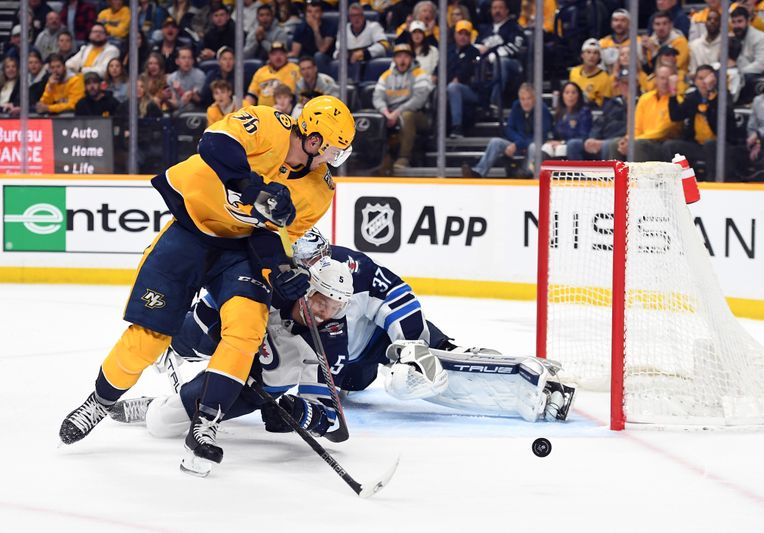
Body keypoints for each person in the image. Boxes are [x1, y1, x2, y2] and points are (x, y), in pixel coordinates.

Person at [59, 95, 356, 479]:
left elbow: (274, 235)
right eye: (333, 149)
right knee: (149, 335)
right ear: (314, 140)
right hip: (193, 229)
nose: (333, 160)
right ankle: (99, 402)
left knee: (246, 331)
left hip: (241, 252)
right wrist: (254, 189)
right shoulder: (268, 124)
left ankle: (206, 424)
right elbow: (213, 145)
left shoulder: (320, 191)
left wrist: (282, 269)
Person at [113, 231, 573, 435]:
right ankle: (162, 401)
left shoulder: (348, 271)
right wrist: (178, 338)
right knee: (211, 386)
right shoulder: (266, 277)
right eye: (301, 268)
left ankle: (455, 352)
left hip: (354, 361)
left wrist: (413, 347)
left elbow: (399, 300)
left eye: (314, 266)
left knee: (411, 341)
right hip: (281, 362)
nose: (312, 279)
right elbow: (208, 319)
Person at [111, 257, 356, 445]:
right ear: (308, 290)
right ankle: (174, 346)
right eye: (321, 302)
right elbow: (227, 290)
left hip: (254, 385)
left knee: (162, 423)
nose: (324, 314)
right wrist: (211, 325)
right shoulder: (279, 286)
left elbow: (332, 423)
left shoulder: (330, 342)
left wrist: (301, 413)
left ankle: (152, 405)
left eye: (334, 308)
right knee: (188, 331)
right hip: (230, 339)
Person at [462, 83, 552, 178]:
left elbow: (541, 136)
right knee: (495, 142)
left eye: (528, 98)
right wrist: (517, 143)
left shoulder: (542, 110)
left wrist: (518, 144)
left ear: (534, 98)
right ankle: (478, 172)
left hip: (532, 146)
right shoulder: (516, 106)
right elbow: (508, 129)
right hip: (518, 143)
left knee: (533, 146)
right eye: (522, 99)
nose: (525, 102)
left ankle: (527, 174)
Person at [664, 65, 737, 180]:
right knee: (670, 146)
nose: (704, 82)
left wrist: (711, 92)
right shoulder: (692, 98)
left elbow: (725, 120)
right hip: (698, 145)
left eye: (707, 78)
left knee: (710, 144)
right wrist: (673, 93)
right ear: (695, 81)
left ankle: (713, 182)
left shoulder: (723, 96)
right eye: (700, 78)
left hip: (721, 146)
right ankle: (677, 182)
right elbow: (675, 116)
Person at [372, 43, 434, 173]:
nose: (402, 60)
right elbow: (377, 97)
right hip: (390, 112)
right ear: (394, 59)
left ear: (411, 59)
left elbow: (419, 99)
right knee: (375, 118)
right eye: (399, 56)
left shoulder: (420, 74)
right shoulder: (386, 75)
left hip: (417, 114)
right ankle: (380, 158)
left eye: (406, 56)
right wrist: (385, 111)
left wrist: (397, 113)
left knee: (406, 116)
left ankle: (404, 158)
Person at [568, 69, 631, 161]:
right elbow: (599, 123)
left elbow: (629, 128)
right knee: (573, 145)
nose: (625, 87)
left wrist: (602, 142)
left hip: (618, 140)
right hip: (602, 139)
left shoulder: (641, 102)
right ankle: (579, 175)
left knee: (608, 146)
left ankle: (607, 175)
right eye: (623, 83)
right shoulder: (612, 103)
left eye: (628, 84)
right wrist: (592, 138)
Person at [475, 0, 524, 109]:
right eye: (494, 8)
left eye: (500, 8)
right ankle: (479, 101)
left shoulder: (514, 27)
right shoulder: (485, 29)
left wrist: (494, 54)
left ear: (506, 10)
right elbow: (475, 45)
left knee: (501, 62)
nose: (497, 11)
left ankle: (495, 101)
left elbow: (516, 47)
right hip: (486, 63)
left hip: (512, 63)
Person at [629, 64, 683, 162]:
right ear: (656, 79)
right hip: (642, 139)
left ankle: (636, 177)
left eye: (668, 79)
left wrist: (635, 140)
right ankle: (617, 176)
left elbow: (663, 130)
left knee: (637, 145)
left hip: (661, 142)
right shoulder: (645, 98)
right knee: (613, 144)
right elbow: (636, 126)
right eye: (662, 78)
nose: (665, 82)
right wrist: (629, 138)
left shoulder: (677, 101)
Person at [332, 2, 389, 79]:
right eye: (353, 16)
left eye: (359, 15)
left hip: (369, 64)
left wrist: (362, 53)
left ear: (363, 16)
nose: (356, 18)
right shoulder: (344, 29)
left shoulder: (374, 26)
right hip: (349, 65)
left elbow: (383, 45)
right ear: (349, 17)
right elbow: (337, 51)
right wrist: (341, 55)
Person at [730, 5, 764, 104]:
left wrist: (738, 73)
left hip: (758, 79)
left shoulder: (761, 38)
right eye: (734, 22)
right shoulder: (731, 39)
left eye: (740, 21)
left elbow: (763, 65)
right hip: (738, 79)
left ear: (748, 21)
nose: (736, 26)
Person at [446, 20, 480, 138]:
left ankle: (457, 127)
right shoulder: (448, 50)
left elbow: (468, 71)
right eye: (460, 33)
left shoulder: (474, 52)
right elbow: (440, 70)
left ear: (470, 36)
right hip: (447, 86)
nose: (463, 37)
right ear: (455, 34)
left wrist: (456, 78)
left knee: (453, 87)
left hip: (471, 91)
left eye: (466, 34)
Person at [544, 82, 592, 159]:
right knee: (547, 147)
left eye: (573, 92)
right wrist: (552, 141)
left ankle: (561, 171)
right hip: (561, 143)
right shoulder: (560, 112)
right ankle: (542, 171)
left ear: (578, 95)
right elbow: (555, 134)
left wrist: (563, 142)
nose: (570, 95)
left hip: (575, 145)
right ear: (562, 95)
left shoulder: (584, 111)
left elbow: (583, 136)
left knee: (560, 148)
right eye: (567, 93)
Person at [246, 41, 301, 107]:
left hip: (287, 112)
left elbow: (299, 95)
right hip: (263, 113)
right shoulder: (261, 71)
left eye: (281, 53)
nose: (278, 57)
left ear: (286, 54)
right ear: (269, 56)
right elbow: (251, 96)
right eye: (274, 54)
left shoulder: (295, 69)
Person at [289, 0, 336, 72]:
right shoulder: (301, 27)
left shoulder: (330, 26)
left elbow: (322, 49)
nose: (313, 15)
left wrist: (316, 30)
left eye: (316, 11)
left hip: (325, 59)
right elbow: (295, 52)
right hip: (306, 59)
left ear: (321, 13)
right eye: (309, 12)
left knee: (318, 56)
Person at [640, 10, 689, 78]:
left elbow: (672, 68)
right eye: (657, 24)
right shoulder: (650, 42)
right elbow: (648, 71)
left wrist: (654, 51)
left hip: (677, 79)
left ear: (671, 25)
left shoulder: (681, 42)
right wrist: (644, 54)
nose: (661, 28)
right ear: (653, 26)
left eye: (664, 23)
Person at [569, 38, 612, 109]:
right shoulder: (574, 72)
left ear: (599, 57)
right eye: (588, 52)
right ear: (582, 55)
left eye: (595, 53)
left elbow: (605, 104)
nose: (591, 56)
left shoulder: (605, 78)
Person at [165, 46, 205, 114]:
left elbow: (200, 100)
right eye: (183, 58)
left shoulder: (200, 75)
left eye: (189, 58)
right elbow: (174, 103)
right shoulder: (171, 78)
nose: (187, 61)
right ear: (177, 61)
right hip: (177, 111)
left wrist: (191, 95)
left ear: (193, 61)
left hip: (196, 110)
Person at [689, 7, 721, 76]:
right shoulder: (695, 45)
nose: (712, 22)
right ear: (705, 23)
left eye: (716, 20)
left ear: (721, 23)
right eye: (709, 19)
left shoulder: (727, 43)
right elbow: (693, 71)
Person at [599, 8, 633, 73]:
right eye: (616, 20)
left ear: (629, 23)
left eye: (623, 20)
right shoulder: (602, 43)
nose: (619, 23)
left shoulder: (637, 42)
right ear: (611, 23)